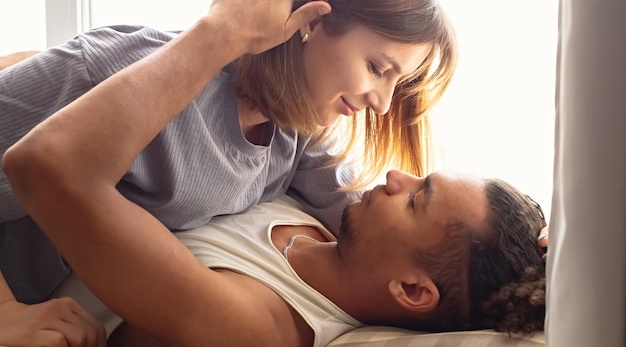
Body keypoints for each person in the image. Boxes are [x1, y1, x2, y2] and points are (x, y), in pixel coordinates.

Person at [0, 0, 457, 344]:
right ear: (312, 22)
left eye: (396, 82)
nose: (380, 103)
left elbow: (380, 227)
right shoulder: (117, 68)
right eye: (377, 68)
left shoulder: (297, 136)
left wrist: (522, 259)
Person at [10, 163, 548, 346]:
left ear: (412, 290)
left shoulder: (256, 323)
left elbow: (48, 171)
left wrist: (220, 31)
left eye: (414, 198)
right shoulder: (323, 217)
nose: (392, 177)